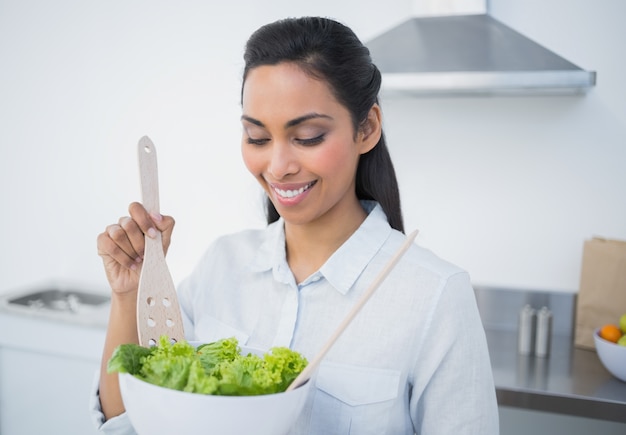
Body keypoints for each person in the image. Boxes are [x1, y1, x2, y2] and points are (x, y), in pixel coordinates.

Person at [91, 16, 499, 434]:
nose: (279, 167)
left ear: (367, 129)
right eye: (257, 138)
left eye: (307, 136)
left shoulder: (434, 296)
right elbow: (128, 423)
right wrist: (130, 295)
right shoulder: (222, 265)